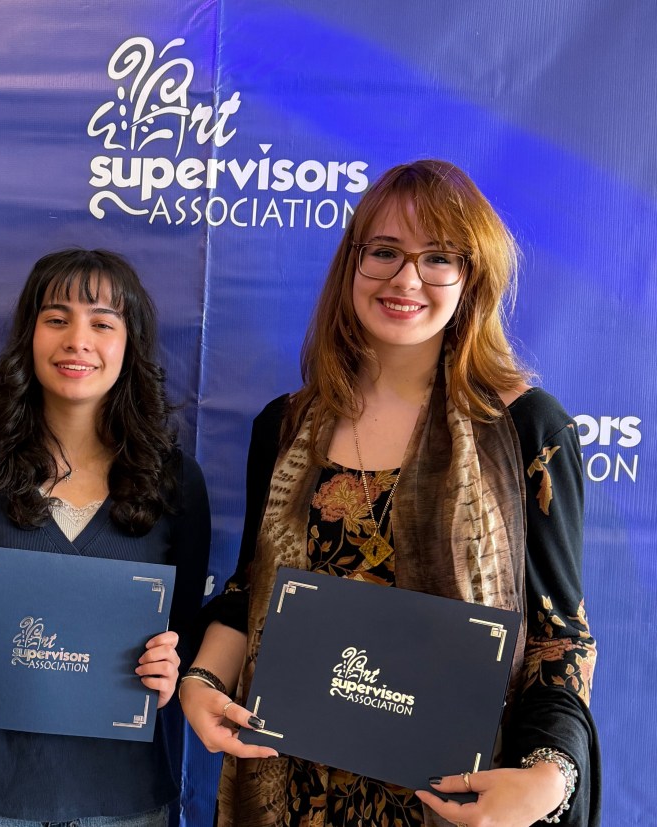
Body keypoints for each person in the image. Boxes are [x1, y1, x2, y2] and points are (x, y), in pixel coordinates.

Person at [180, 160, 599, 827]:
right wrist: (201, 681)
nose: (405, 279)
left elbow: (558, 638)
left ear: (471, 278)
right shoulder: (285, 425)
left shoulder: (527, 427)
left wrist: (549, 777)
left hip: (451, 801)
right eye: (384, 252)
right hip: (294, 792)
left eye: (438, 258)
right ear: (352, 263)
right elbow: (251, 588)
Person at [0, 249, 210, 826]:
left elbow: (189, 636)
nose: (77, 340)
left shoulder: (176, 481)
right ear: (29, 335)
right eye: (56, 319)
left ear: (129, 345)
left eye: (102, 323)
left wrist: (174, 666)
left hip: (122, 798)